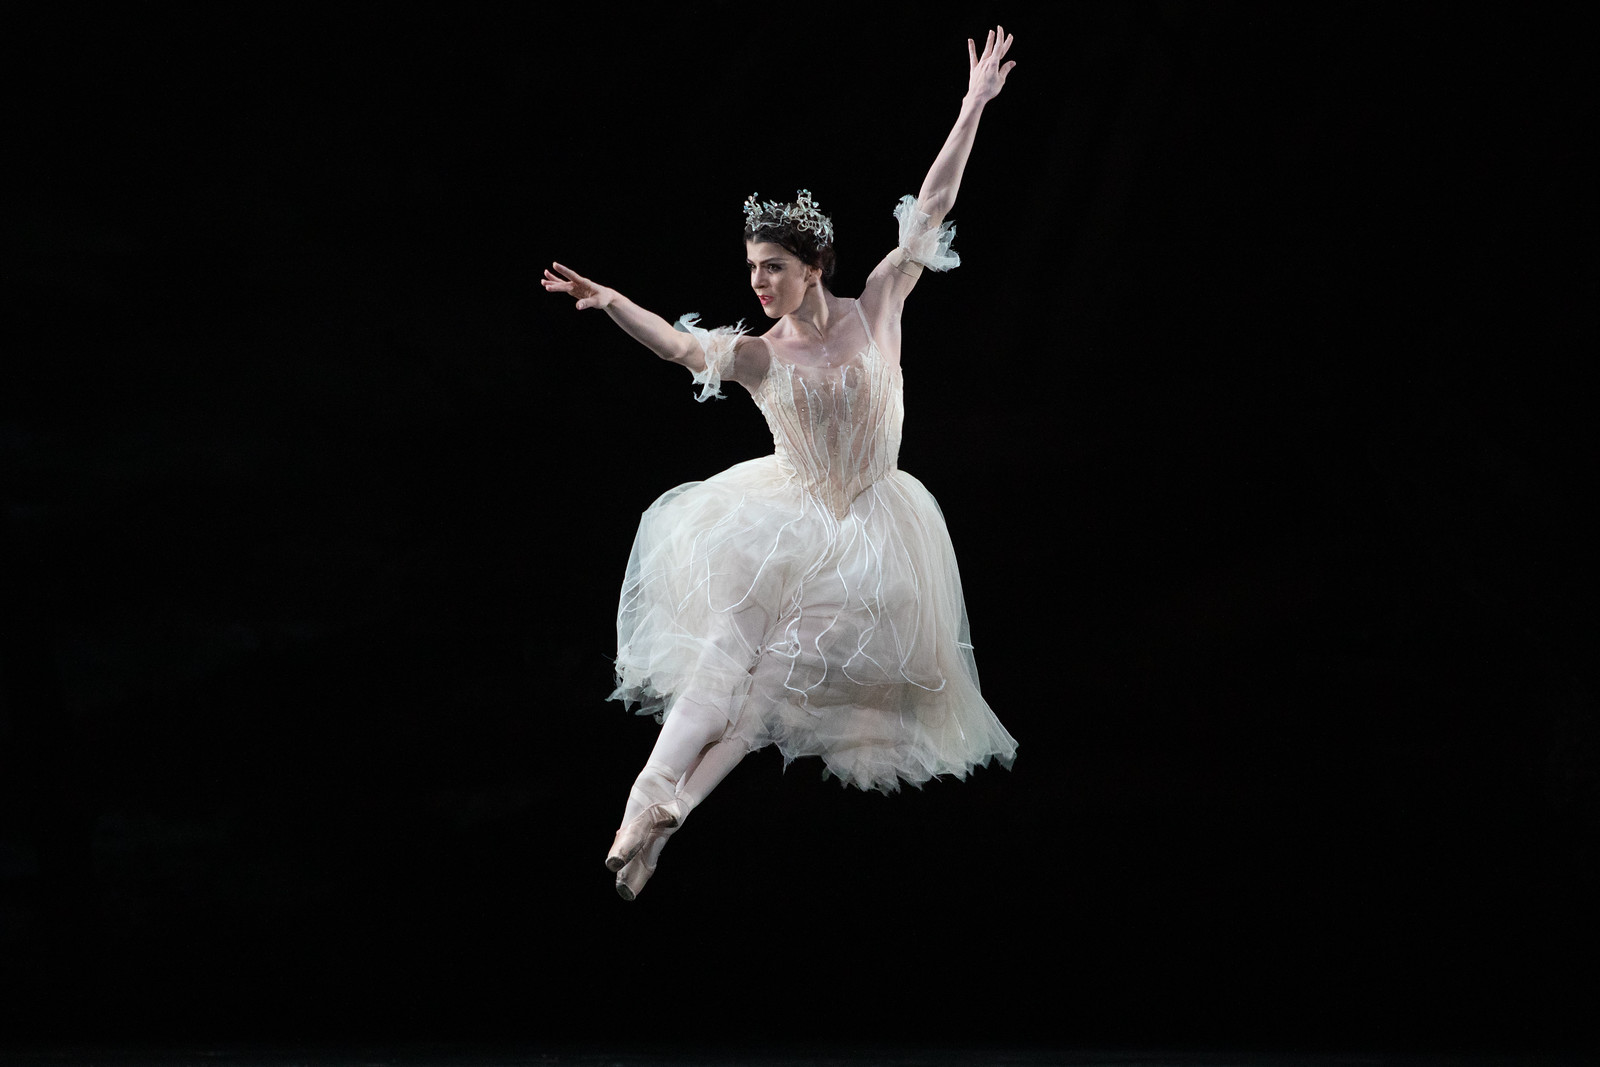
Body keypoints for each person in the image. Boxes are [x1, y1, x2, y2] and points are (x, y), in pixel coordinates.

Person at [543, 27, 1020, 900]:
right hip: (785, 523)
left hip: (875, 532)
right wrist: (611, 300)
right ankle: (652, 798)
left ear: (812, 269)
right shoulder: (762, 355)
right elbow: (680, 349)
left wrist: (971, 106)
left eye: (773, 269)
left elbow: (934, 203)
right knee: (727, 656)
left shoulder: (879, 302)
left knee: (768, 694)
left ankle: (673, 809)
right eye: (753, 270)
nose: (758, 284)